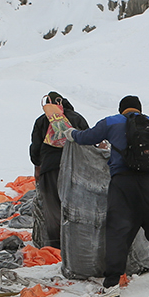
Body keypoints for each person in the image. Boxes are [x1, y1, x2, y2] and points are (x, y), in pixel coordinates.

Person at [70, 95, 149, 297]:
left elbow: (88, 137)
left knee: (118, 230)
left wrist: (71, 134)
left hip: (122, 182)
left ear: (121, 110)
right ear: (139, 109)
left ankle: (112, 284)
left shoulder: (111, 122)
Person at [28, 91, 88, 249]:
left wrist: (37, 167)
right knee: (76, 204)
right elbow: (89, 142)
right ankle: (78, 242)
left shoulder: (42, 121)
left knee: (53, 206)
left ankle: (56, 245)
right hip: (76, 168)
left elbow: (36, 148)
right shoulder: (76, 118)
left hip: (51, 168)